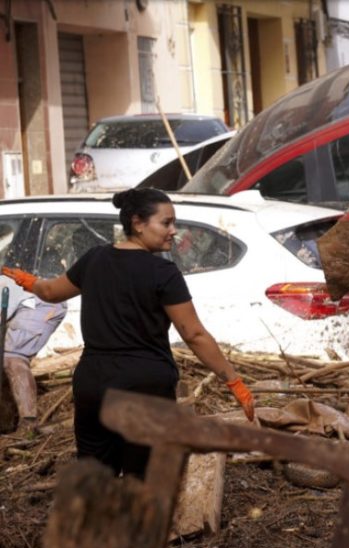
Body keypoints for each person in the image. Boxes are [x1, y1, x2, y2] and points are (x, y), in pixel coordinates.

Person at [2, 187, 255, 478]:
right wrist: (234, 381)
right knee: (142, 478)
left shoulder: (94, 259)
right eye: (166, 223)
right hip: (145, 387)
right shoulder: (163, 273)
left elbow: (49, 292)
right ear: (138, 223)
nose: (173, 231)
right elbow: (194, 334)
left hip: (94, 384)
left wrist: (26, 280)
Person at [0, 276, 67, 435]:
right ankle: (6, 423)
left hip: (41, 303)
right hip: (20, 306)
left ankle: (28, 423)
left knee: (12, 358)